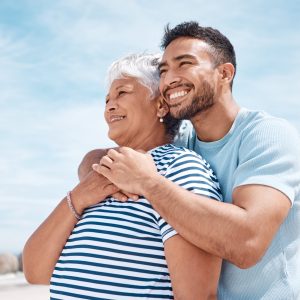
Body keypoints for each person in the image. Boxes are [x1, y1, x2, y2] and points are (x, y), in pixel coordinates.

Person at [86, 22, 300, 299]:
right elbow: (104, 155)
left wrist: (147, 183)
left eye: (184, 64)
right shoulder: (183, 141)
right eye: (164, 71)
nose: (169, 79)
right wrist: (94, 169)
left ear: (224, 73)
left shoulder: (267, 134)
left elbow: (247, 243)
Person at [23, 53, 223, 299]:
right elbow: (35, 272)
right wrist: (79, 197)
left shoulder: (179, 168)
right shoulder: (99, 172)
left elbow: (198, 295)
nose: (110, 105)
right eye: (107, 99)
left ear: (160, 105)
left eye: (122, 93)